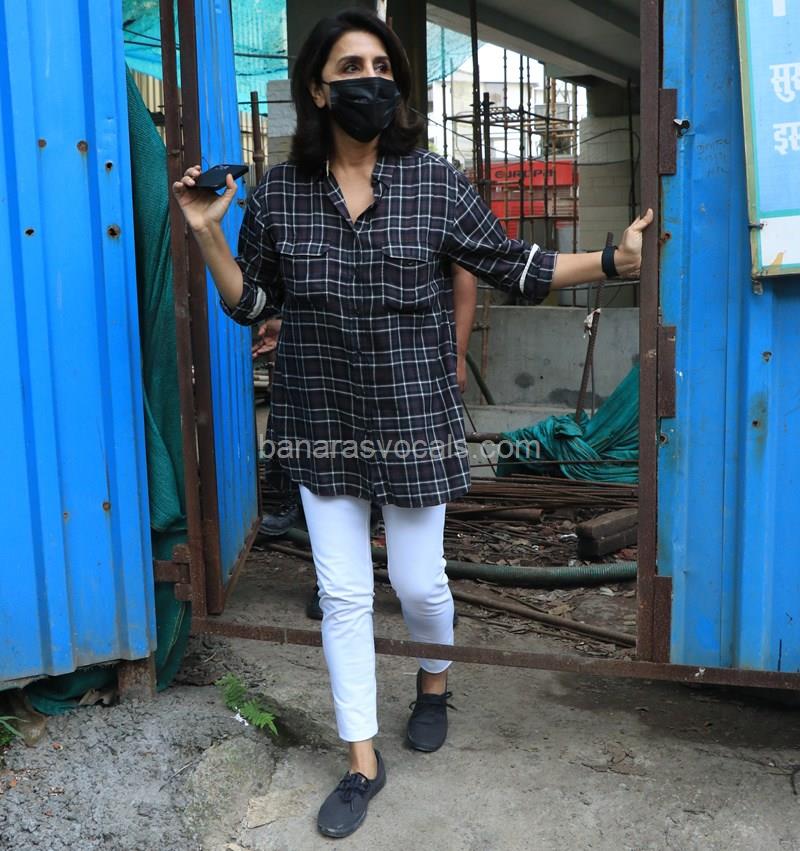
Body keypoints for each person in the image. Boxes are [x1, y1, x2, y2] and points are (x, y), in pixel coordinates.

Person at [172, 8, 652, 838]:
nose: (371, 81)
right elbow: (251, 304)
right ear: (318, 89)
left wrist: (614, 260)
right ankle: (362, 760)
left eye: (381, 68)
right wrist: (208, 235)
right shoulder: (280, 193)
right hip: (321, 415)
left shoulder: (435, 181)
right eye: (351, 68)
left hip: (413, 413)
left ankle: (435, 677)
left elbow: (514, 264)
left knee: (421, 584)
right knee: (344, 592)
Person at [253, 262, 477, 621]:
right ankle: (340, 585)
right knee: (342, 472)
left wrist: (458, 353)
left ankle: (426, 592)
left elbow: (464, 273)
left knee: (410, 477)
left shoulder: (428, 224)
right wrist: (291, 325)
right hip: (337, 370)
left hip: (408, 370)